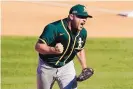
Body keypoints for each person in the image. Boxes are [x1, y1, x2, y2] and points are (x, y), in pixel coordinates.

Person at [35, 4, 93, 89]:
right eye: (80, 17)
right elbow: (38, 46)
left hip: (66, 66)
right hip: (47, 66)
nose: (84, 20)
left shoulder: (82, 32)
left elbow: (79, 49)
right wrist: (53, 50)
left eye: (85, 17)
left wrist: (84, 67)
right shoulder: (54, 28)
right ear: (71, 16)